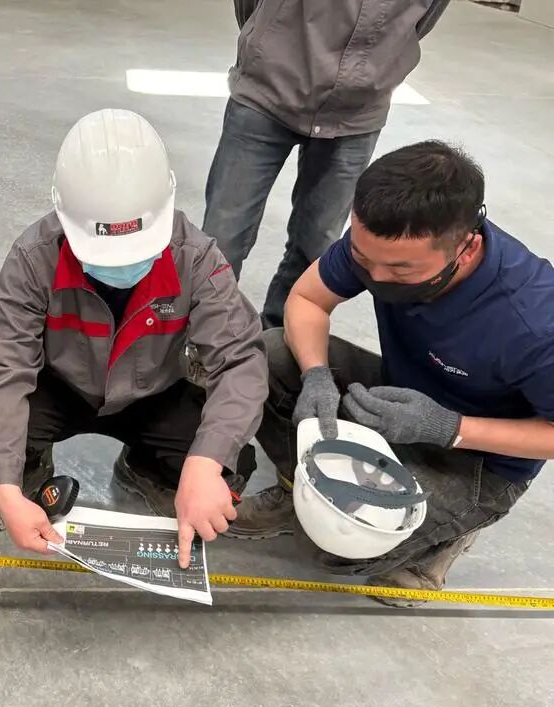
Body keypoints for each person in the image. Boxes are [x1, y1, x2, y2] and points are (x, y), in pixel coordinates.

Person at [228, 141, 554, 605]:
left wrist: (448, 428)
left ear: (466, 248)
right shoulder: (382, 240)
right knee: (267, 355)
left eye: (400, 270)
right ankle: (294, 485)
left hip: (481, 458)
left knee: (341, 550)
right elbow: (307, 299)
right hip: (398, 402)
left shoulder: (534, 322)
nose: (376, 277)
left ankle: (447, 535)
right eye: (364, 261)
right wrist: (316, 374)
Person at [0, 109, 267, 567]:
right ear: (65, 219)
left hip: (154, 396)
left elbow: (240, 359)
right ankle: (28, 469)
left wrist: (205, 464)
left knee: (232, 461)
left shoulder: (196, 258)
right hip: (61, 390)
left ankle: (146, 467)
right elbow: (2, 370)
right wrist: (6, 490)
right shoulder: (33, 258)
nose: (123, 265)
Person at [202, 0, 449, 328]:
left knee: (316, 243)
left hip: (357, 112)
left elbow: (424, 18)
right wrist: (266, 39)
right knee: (224, 234)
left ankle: (281, 336)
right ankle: (208, 338)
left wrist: (376, 67)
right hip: (268, 90)